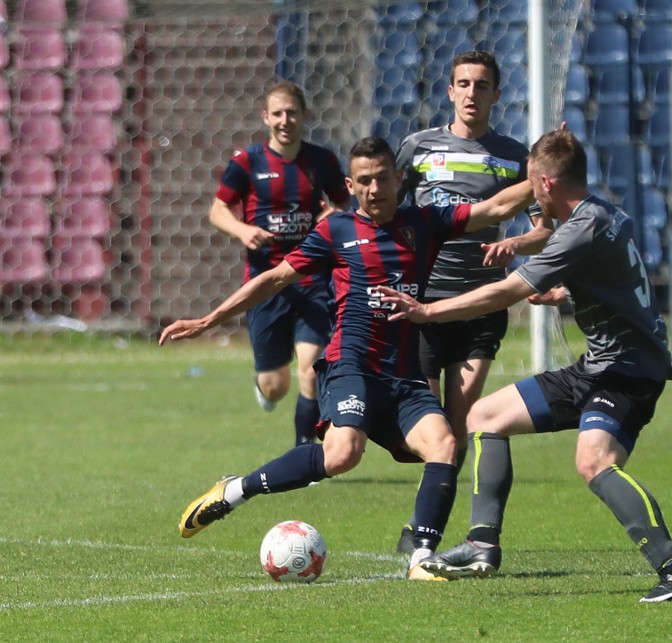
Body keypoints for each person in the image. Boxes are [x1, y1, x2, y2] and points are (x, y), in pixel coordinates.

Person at [159, 136, 535, 580]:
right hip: (350, 366)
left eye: (382, 178)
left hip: (403, 375)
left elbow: (494, 209)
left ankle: (421, 558)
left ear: (399, 178)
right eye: (364, 181)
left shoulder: (425, 222)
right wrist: (211, 318)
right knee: (341, 455)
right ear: (350, 186)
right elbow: (275, 277)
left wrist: (545, 178)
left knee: (445, 445)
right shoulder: (335, 231)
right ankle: (235, 489)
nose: (375, 189)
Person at [378, 129, 672, 602]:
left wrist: (427, 310)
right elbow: (619, 282)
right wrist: (568, 293)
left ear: (547, 185)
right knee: (485, 417)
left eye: (533, 185)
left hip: (629, 373)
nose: (532, 195)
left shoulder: (580, 229)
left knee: (594, 461)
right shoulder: (605, 215)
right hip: (597, 367)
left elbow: (506, 291)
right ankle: (481, 542)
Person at [393, 50, 553, 553]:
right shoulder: (416, 149)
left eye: (481, 85)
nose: (470, 93)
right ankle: (427, 519)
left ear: (495, 95)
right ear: (449, 91)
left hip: (480, 305)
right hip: (422, 302)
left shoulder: (513, 156)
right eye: (462, 83)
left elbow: (544, 232)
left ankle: (423, 532)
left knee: (458, 425)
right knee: (423, 425)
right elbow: (389, 217)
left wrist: (516, 247)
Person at [209, 80, 351, 446]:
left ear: (304, 115)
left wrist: (333, 215)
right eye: (278, 113)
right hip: (265, 282)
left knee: (311, 369)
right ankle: (265, 386)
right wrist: (242, 231)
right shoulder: (247, 161)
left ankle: (306, 449)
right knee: (276, 386)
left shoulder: (323, 161)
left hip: (311, 280)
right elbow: (218, 210)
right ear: (265, 117)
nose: (285, 120)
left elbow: (344, 205)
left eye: (292, 112)